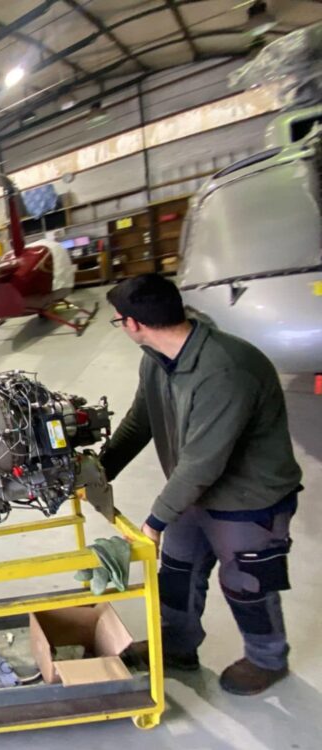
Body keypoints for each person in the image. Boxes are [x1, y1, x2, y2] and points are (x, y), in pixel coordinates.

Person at [101, 274, 302, 696]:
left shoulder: (226, 370)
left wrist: (155, 521)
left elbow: (202, 461)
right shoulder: (156, 359)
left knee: (247, 583)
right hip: (193, 493)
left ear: (133, 323)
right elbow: (141, 420)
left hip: (248, 499)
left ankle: (267, 660)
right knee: (177, 573)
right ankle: (177, 646)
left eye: (118, 320)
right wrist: (102, 470)